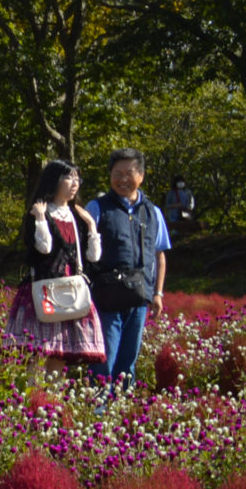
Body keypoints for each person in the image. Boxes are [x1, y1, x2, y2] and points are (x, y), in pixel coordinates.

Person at [3, 160, 105, 365]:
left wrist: (92, 226)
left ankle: (52, 397)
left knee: (61, 354)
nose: (74, 183)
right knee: (39, 353)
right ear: (54, 180)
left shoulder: (77, 216)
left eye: (77, 178)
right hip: (45, 288)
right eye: (68, 177)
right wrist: (40, 219)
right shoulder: (41, 211)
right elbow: (44, 248)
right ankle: (37, 396)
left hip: (70, 290)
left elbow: (93, 257)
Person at [86, 148, 170, 387]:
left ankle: (124, 410)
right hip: (106, 295)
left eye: (129, 173)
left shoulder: (153, 212)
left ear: (141, 176)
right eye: (117, 173)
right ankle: (98, 411)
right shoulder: (97, 207)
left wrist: (158, 293)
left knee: (128, 360)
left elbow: (159, 255)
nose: (122, 179)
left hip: (139, 295)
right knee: (104, 356)